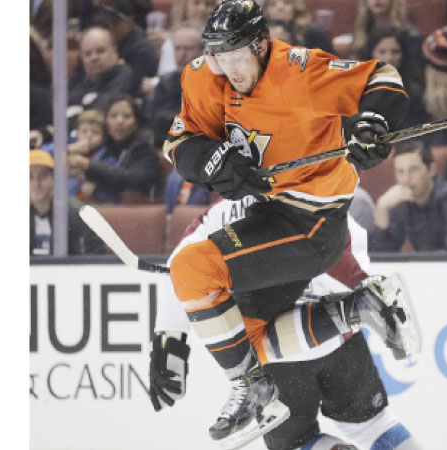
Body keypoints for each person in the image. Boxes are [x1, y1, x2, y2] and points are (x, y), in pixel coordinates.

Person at [162, 1, 409, 446]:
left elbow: (383, 76)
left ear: (260, 46)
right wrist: (211, 160)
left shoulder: (298, 71)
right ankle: (259, 379)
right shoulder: (205, 73)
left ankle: (257, 382)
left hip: (314, 222)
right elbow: (180, 142)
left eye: (236, 57)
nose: (228, 69)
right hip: (272, 218)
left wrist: (373, 122)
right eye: (219, 58)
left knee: (197, 273)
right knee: (236, 324)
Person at [150, 195, 424, 450]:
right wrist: (359, 292)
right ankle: (349, 311)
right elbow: (347, 252)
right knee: (373, 425)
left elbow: (179, 266)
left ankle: (348, 311)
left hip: (276, 353)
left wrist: (169, 338)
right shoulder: (317, 195)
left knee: (292, 442)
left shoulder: (227, 206)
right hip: (340, 340)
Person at [370, 140, 447, 252]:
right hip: (431, 272)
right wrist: (382, 209)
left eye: (414, 170)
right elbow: (383, 256)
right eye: (400, 172)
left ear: (431, 170)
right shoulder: (401, 200)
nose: (406, 179)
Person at [67, 94, 159, 202]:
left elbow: (132, 180)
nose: (119, 121)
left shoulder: (144, 149)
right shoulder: (102, 145)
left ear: (136, 122)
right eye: (113, 116)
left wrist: (90, 167)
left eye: (126, 116)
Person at [29, 149, 105, 256]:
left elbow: (93, 257)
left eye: (43, 176)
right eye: (29, 177)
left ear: (55, 180)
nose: (36, 183)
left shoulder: (79, 214)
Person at [146, 22, 205, 148]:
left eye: (188, 49)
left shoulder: (214, 84)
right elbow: (151, 120)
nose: (182, 55)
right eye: (177, 48)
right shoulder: (165, 83)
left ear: (202, 51)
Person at [67, 26, 135, 131]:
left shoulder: (123, 74)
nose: (94, 58)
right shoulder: (80, 82)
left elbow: (101, 112)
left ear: (114, 52)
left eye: (100, 51)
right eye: (87, 54)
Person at [88, 0, 159, 97]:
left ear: (129, 20)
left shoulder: (142, 50)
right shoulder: (98, 42)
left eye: (115, 24)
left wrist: (112, 69)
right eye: (106, 25)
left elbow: (134, 89)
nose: (110, 29)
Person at [363, 25, 427, 129]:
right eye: (382, 52)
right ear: (371, 54)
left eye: (395, 52)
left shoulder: (414, 91)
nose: (389, 58)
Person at [147, 0, 217, 76]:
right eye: (196, 3)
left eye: (209, 4)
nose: (202, 8)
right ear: (184, 7)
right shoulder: (172, 40)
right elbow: (167, 75)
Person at [262, 0, 334, 53]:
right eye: (272, 4)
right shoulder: (259, 34)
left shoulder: (312, 32)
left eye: (287, 3)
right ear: (266, 11)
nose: (280, 7)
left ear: (295, 7)